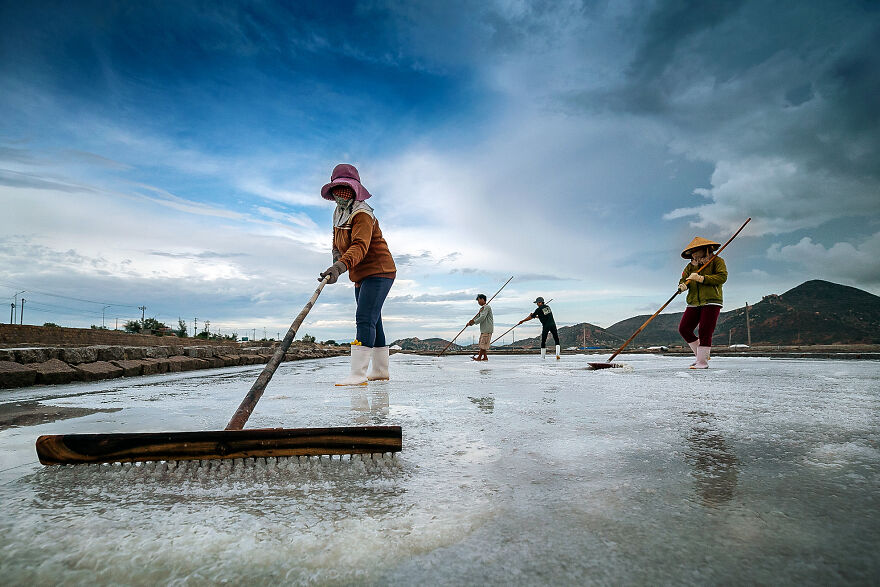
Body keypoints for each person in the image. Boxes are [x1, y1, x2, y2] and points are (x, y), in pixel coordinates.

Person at [319, 163, 397, 385]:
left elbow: (360, 246)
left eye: (346, 190)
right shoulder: (339, 213)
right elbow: (337, 243)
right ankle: (380, 371)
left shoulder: (362, 214)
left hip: (380, 271)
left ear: (355, 190)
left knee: (364, 318)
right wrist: (335, 263)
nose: (341, 195)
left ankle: (357, 374)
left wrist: (341, 267)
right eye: (338, 190)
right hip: (360, 274)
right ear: (333, 193)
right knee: (374, 321)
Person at [677, 236, 727, 369]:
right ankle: (701, 356)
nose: (693, 254)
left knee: (705, 330)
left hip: (712, 301)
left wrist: (701, 278)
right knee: (684, 328)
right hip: (693, 301)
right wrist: (683, 286)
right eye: (691, 252)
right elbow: (683, 279)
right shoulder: (690, 266)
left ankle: (702, 362)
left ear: (704, 250)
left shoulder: (717, 261)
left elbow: (722, 277)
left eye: (695, 250)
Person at [467, 293, 494, 361]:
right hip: (483, 329)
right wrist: (471, 323)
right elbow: (478, 317)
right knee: (482, 343)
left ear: (482, 299)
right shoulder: (482, 308)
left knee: (483, 344)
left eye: (479, 300)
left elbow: (482, 317)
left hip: (487, 329)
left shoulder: (487, 307)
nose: (478, 302)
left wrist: (474, 322)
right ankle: (485, 357)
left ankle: (479, 358)